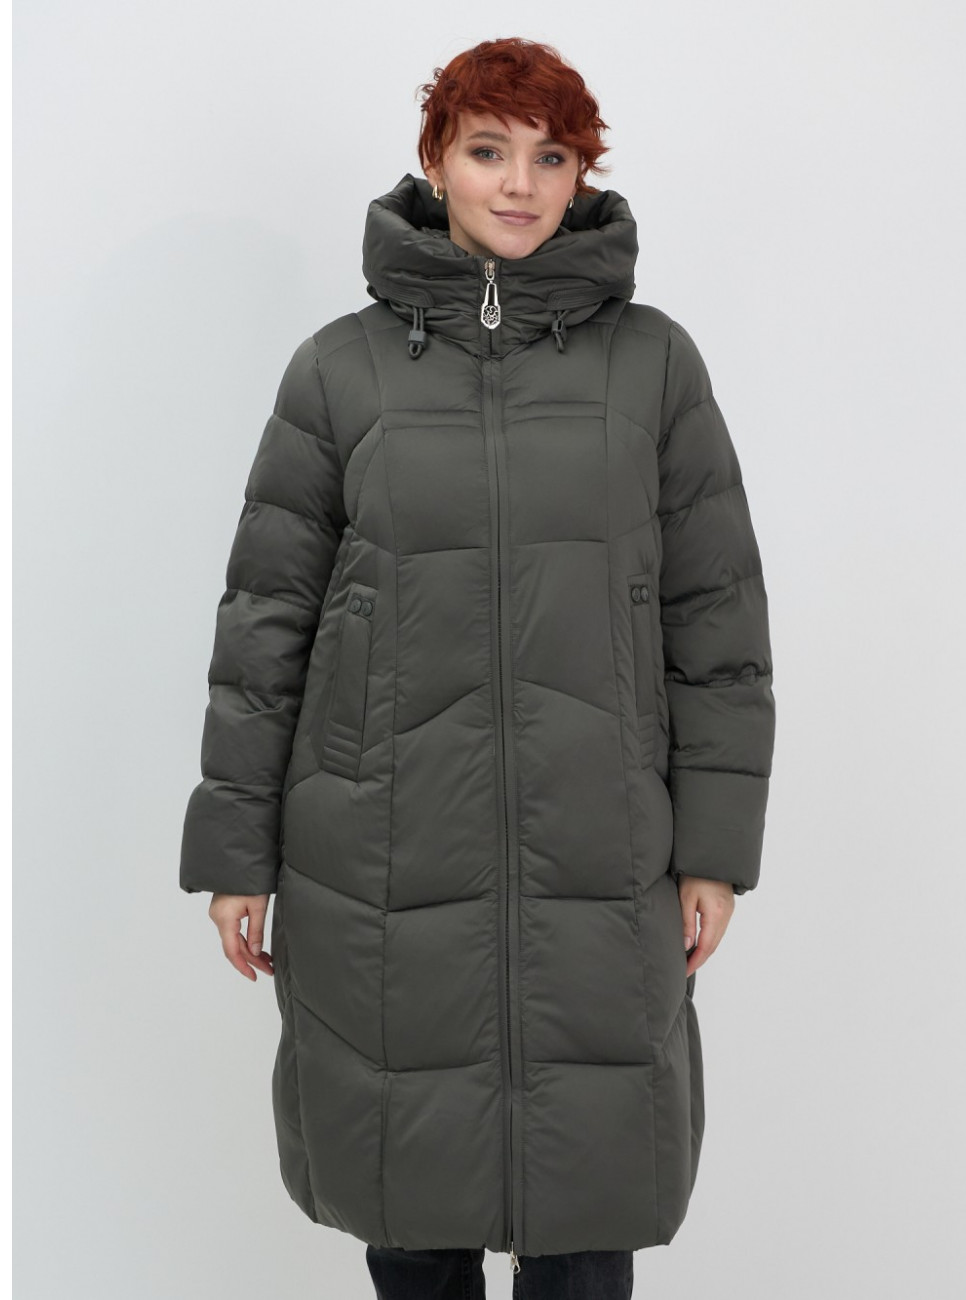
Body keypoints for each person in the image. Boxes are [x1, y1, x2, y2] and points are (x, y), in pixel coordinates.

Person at [179, 35, 775, 1300]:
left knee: (589, 1215)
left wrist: (715, 848)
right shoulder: (338, 371)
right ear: (436, 159)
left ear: (580, 176)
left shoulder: (653, 365)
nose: (519, 183)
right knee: (410, 1208)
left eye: (551, 158)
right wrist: (235, 852)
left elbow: (715, 619)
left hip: (603, 847)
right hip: (379, 852)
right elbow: (264, 624)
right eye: (488, 150)